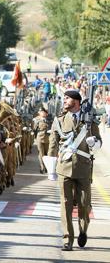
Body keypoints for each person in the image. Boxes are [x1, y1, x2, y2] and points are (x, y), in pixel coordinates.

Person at [48, 90, 102, 251]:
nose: (64, 100)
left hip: (84, 168)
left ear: (77, 101)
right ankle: (67, 239)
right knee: (66, 204)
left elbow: (99, 143)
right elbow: (53, 144)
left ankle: (83, 230)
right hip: (64, 167)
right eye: (64, 98)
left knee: (84, 205)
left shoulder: (90, 121)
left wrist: (94, 142)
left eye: (68, 98)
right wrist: (51, 167)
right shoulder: (59, 120)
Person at [33, 107, 50, 174]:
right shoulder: (36, 120)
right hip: (40, 137)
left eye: (43, 112)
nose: (42, 113)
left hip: (48, 138)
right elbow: (34, 129)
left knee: (47, 153)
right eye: (41, 112)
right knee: (41, 153)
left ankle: (46, 167)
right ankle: (42, 167)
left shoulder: (49, 120)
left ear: (46, 113)